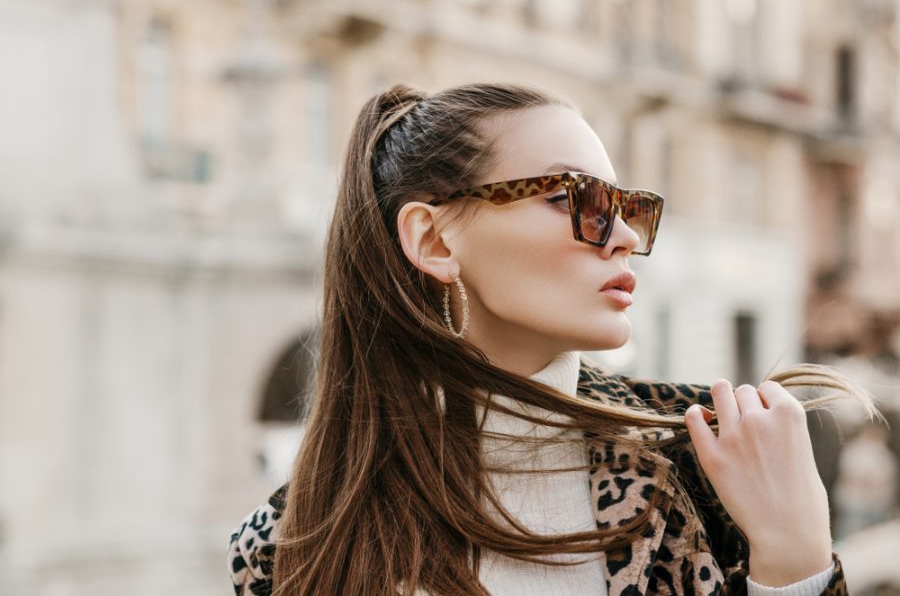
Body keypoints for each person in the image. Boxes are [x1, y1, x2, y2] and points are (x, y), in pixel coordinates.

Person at [227, 83, 876, 596]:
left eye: (626, 207)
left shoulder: (706, 459)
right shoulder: (285, 547)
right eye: (575, 199)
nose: (625, 236)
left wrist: (798, 565)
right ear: (433, 239)